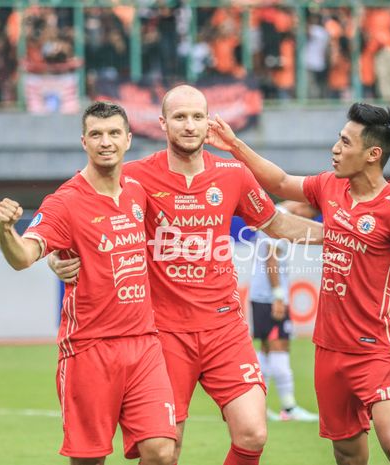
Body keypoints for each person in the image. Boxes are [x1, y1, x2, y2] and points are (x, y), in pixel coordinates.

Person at [50, 85, 324, 465]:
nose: (190, 125)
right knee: (165, 451)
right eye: (180, 117)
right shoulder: (134, 178)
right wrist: (57, 258)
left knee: (253, 433)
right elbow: (84, 213)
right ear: (163, 123)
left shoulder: (233, 174)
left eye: (198, 116)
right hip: (163, 334)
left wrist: (341, 234)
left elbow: (276, 224)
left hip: (224, 328)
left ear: (209, 122)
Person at [206, 102, 390, 465]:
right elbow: (279, 182)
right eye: (337, 139)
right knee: (348, 454)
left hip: (378, 350)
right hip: (329, 351)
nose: (335, 149)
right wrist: (235, 146)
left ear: (373, 154)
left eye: (345, 142)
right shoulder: (328, 186)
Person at [0, 101, 177, 465]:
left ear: (128, 140)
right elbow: (23, 257)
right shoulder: (65, 202)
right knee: (89, 460)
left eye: (113, 134)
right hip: (89, 349)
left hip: (144, 345)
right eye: (96, 134)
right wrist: (5, 230)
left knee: (162, 451)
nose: (105, 141)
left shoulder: (138, 191)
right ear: (84, 142)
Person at [250, 200, 319, 422]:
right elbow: (271, 257)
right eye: (311, 215)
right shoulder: (280, 216)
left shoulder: (275, 212)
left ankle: (257, 407)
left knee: (267, 350)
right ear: (305, 207)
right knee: (279, 346)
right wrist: (278, 295)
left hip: (262, 294)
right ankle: (288, 408)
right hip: (270, 296)